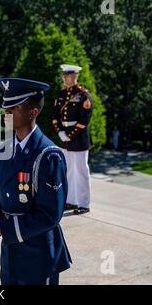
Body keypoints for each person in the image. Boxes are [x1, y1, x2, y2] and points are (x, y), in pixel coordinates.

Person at [0, 77, 71, 285]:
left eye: (12, 109)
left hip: (39, 257)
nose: (6, 115)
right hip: (11, 254)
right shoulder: (4, 149)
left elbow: (49, 215)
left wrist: (0, 230)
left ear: (32, 112)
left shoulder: (48, 155)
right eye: (5, 109)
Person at [52, 64, 93, 215]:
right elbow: (55, 116)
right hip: (64, 138)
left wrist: (69, 134)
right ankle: (71, 200)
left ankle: (84, 203)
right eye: (64, 75)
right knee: (68, 170)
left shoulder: (83, 95)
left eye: (68, 75)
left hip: (79, 138)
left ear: (75, 76)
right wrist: (60, 132)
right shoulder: (61, 94)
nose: (65, 78)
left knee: (81, 171)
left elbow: (84, 119)